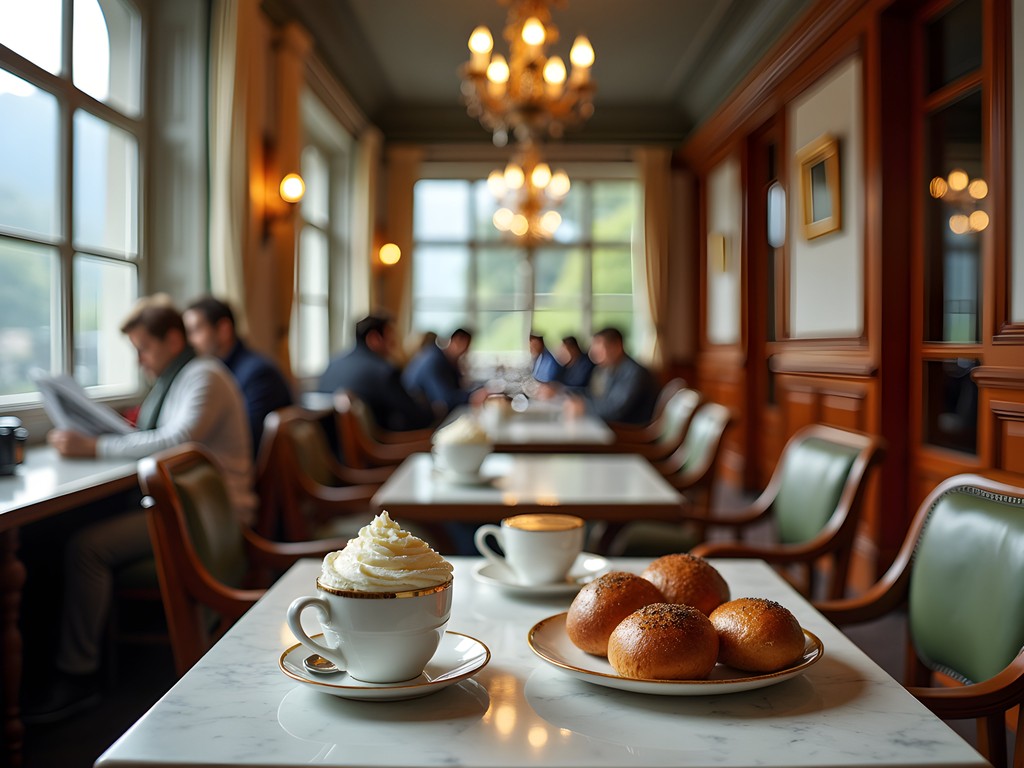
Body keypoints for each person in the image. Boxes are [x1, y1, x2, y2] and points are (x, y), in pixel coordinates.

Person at [31, 296, 256, 722]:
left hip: (213, 517)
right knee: (85, 534)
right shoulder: (181, 378)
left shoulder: (203, 374)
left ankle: (77, 676)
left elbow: (178, 440)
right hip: (190, 509)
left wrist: (95, 445)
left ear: (173, 339)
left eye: (144, 348)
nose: (139, 360)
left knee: (86, 547)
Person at [183, 295, 293, 455]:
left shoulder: (259, 374)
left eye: (196, 330)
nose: (191, 341)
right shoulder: (214, 373)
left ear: (224, 330)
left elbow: (248, 440)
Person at [317, 314, 434, 431]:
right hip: (378, 445)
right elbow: (417, 417)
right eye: (391, 338)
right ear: (374, 339)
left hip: (333, 445)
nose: (394, 345)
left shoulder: (333, 364)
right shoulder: (384, 371)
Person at [575, 326, 658, 425]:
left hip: (629, 433)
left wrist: (584, 407)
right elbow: (595, 396)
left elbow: (615, 410)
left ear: (617, 347)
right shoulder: (608, 369)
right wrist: (567, 392)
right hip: (614, 427)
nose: (592, 354)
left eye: (599, 348)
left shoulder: (634, 372)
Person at [402, 328, 477, 416]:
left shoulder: (440, 357)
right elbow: (446, 400)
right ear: (457, 341)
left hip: (422, 413)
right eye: (467, 345)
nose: (466, 351)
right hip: (417, 418)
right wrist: (473, 396)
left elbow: (457, 387)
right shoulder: (435, 361)